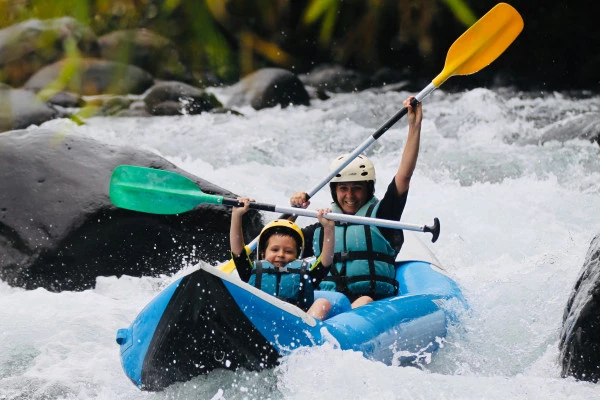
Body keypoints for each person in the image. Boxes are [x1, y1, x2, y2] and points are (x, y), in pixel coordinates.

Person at [290, 96, 422, 308]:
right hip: (329, 303)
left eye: (356, 189)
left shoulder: (383, 217)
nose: (349, 196)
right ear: (335, 191)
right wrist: (294, 210)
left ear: (368, 189)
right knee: (321, 304)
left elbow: (404, 176)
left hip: (371, 304)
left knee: (363, 301)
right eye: (343, 189)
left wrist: (414, 126)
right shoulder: (323, 227)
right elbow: (277, 243)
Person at [230, 197, 335, 320]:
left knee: (322, 303)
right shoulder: (251, 272)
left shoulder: (306, 275)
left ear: (297, 256)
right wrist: (236, 216)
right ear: (263, 254)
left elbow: (325, 262)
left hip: (295, 328)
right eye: (275, 250)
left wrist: (328, 229)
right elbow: (238, 253)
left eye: (288, 251)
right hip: (259, 323)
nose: (281, 254)